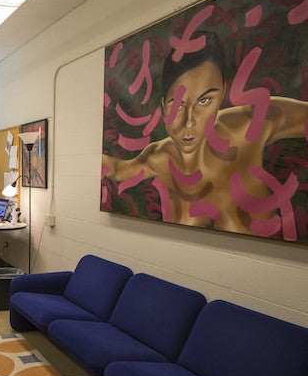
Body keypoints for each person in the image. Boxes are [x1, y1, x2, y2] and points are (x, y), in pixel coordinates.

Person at [102, 30, 308, 238]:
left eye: (204, 101)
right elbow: (119, 169)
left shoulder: (253, 123)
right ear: (164, 106)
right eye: (178, 104)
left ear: (222, 93)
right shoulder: (160, 156)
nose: (189, 120)